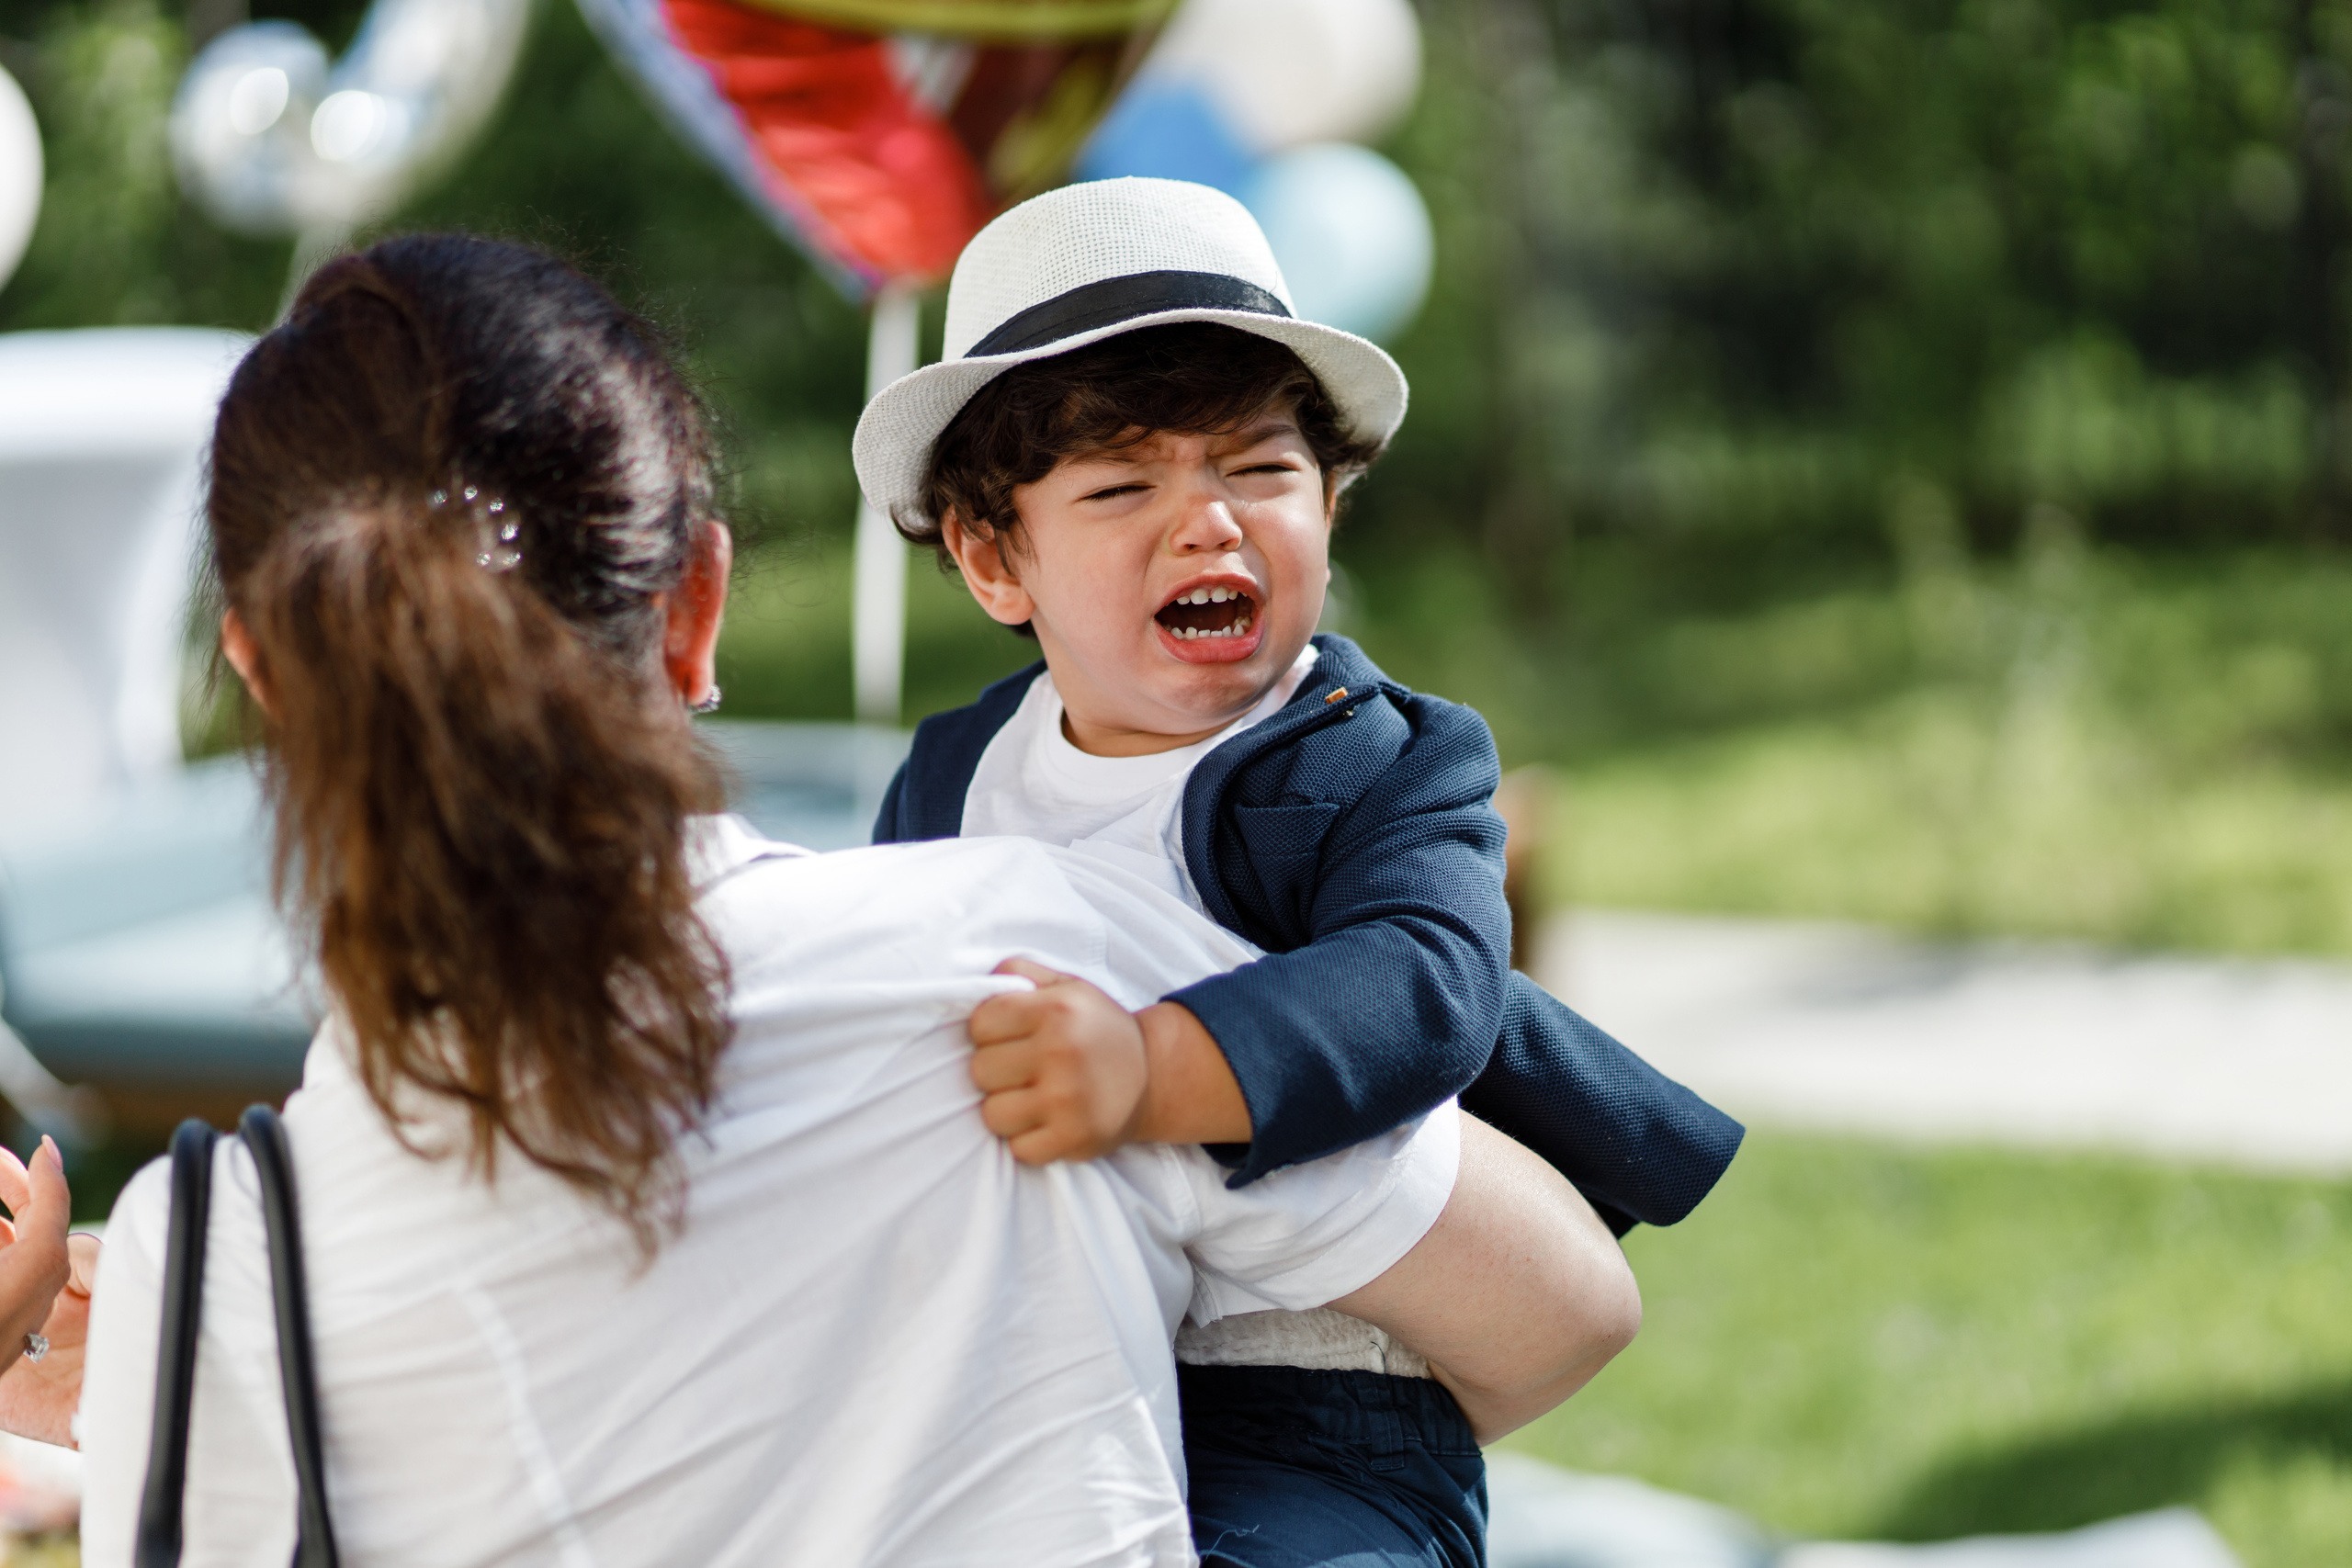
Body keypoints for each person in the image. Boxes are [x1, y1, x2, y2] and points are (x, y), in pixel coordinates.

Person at [0, 234, 1640, 1567]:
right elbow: (1564, 1311)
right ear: (696, 602)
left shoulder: (214, 1266)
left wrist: (113, 1381)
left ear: (266, 677)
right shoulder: (1030, 966)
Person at [855, 177, 1732, 1566]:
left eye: (1258, 470)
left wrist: (1151, 1070)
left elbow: (1425, 983)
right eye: (1126, 484)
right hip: (1039, 1369)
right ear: (989, 556)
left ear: (1329, 498)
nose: (1206, 522)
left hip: (1316, 1403)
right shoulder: (956, 778)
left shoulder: (1385, 760)